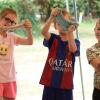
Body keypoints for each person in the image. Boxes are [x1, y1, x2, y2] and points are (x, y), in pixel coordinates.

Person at [39, 7, 80, 100]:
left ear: (70, 23)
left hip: (65, 85)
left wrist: (70, 32)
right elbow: (43, 32)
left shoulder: (75, 41)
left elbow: (73, 49)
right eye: (59, 23)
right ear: (55, 26)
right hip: (50, 84)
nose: (62, 25)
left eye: (65, 22)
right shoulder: (53, 39)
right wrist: (51, 17)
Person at [0, 8, 33, 100]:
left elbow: (29, 42)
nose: (9, 23)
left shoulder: (12, 37)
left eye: (12, 22)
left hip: (10, 78)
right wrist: (20, 25)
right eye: (7, 19)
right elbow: (2, 28)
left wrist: (29, 30)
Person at [86, 18, 100, 100]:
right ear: (94, 30)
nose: (98, 32)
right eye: (97, 29)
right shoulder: (90, 50)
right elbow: (98, 66)